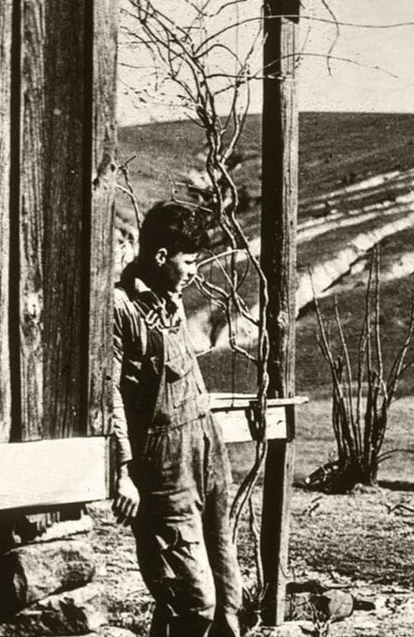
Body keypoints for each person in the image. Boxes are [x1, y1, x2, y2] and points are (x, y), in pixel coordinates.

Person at [110, 201, 241, 637]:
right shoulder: (121, 309)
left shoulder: (171, 299)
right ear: (161, 257)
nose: (194, 271)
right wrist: (123, 471)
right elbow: (108, 395)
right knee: (193, 600)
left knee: (228, 597)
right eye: (189, 261)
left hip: (207, 454)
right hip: (165, 471)